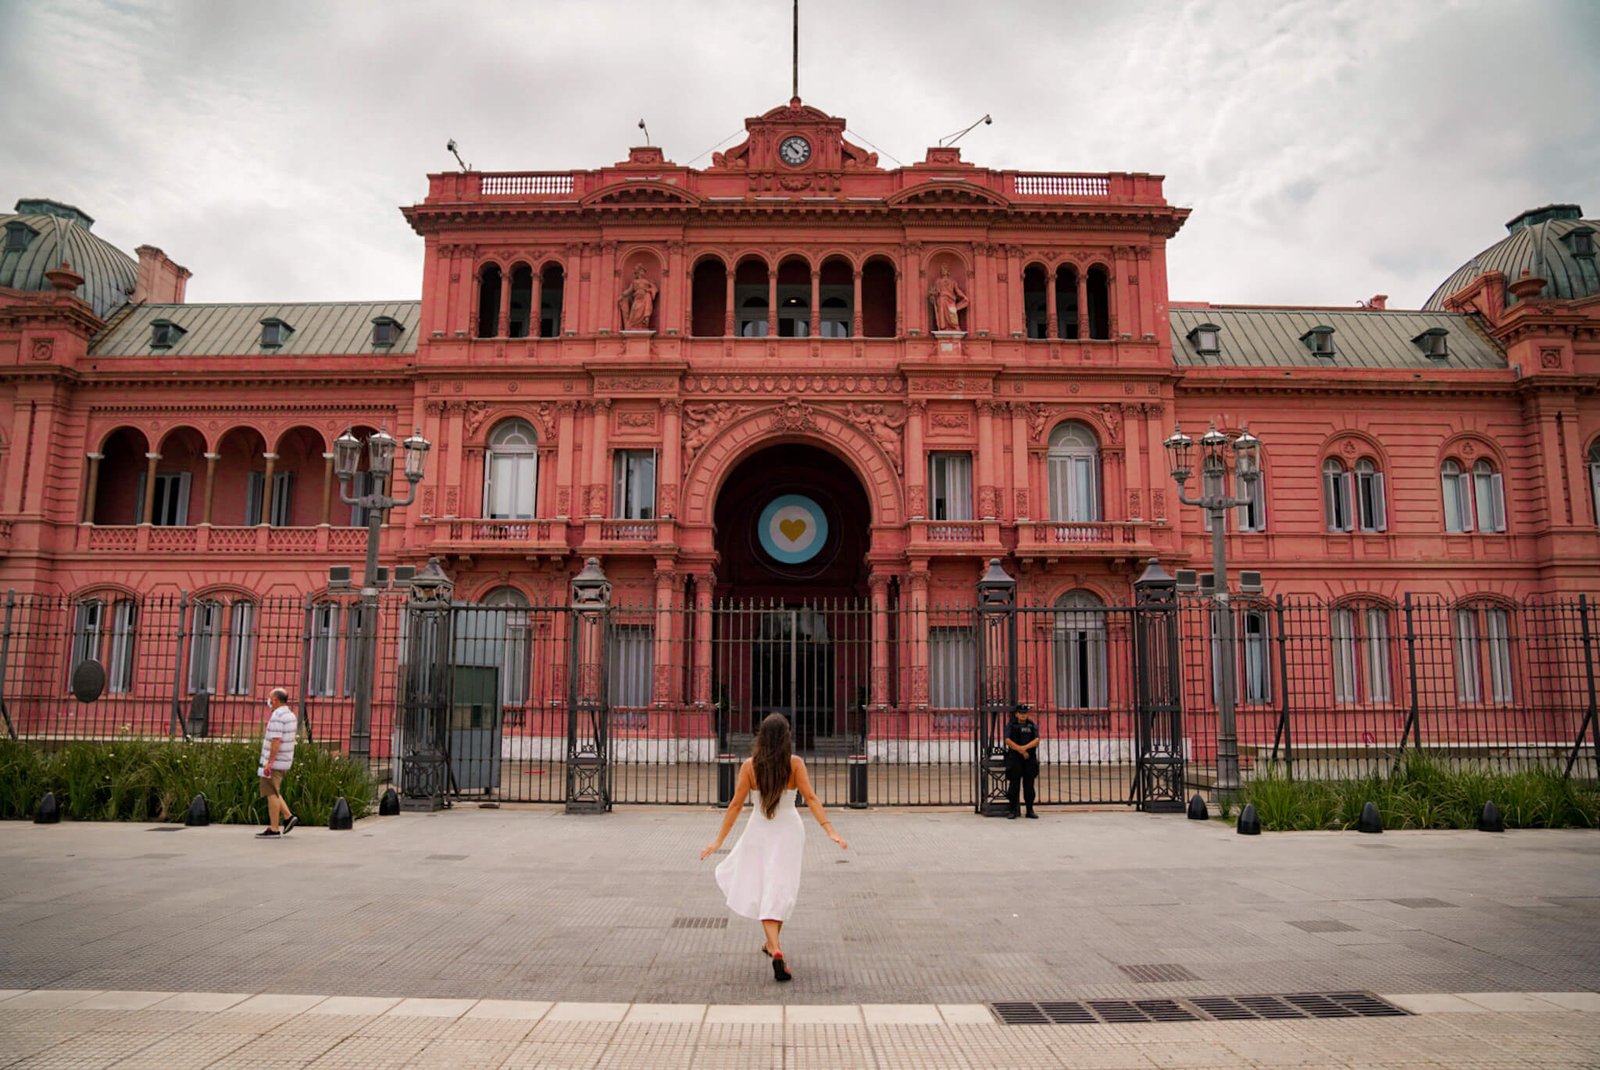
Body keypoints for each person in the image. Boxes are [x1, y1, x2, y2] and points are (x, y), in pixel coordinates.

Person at [700, 713, 847, 982]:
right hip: (789, 832)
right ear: (786, 737)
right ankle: (775, 947)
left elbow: (734, 805)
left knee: (763, 886)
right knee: (778, 888)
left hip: (758, 831)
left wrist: (718, 840)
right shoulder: (795, 764)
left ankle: (773, 946)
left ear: (761, 737)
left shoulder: (749, 766)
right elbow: (811, 798)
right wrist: (830, 830)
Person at [256, 687, 299, 839]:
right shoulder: (290, 715)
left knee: (271, 793)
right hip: (285, 760)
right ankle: (288, 817)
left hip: (275, 762)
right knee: (274, 790)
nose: (268, 701)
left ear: (274, 700)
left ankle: (274, 828)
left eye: (269, 698)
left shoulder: (277, 716)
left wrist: (269, 763)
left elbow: (276, 740)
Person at [1004, 706, 1040, 819]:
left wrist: (1024, 748)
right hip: (1015, 758)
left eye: (1025, 713)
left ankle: (1030, 810)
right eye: (1021, 713)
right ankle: (1013, 810)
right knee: (1014, 786)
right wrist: (1020, 749)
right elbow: (1007, 740)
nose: (1023, 715)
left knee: (1029, 786)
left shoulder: (1031, 725)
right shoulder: (1011, 725)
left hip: (1029, 758)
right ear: (1016, 714)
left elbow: (1037, 740)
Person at [928, 264, 968, 332]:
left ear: (947, 272)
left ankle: (954, 327)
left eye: (945, 270)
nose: (943, 271)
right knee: (942, 313)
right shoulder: (938, 281)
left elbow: (957, 290)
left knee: (952, 313)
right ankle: (943, 327)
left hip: (951, 300)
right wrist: (932, 294)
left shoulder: (952, 282)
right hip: (941, 300)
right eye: (942, 270)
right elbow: (934, 291)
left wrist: (964, 297)